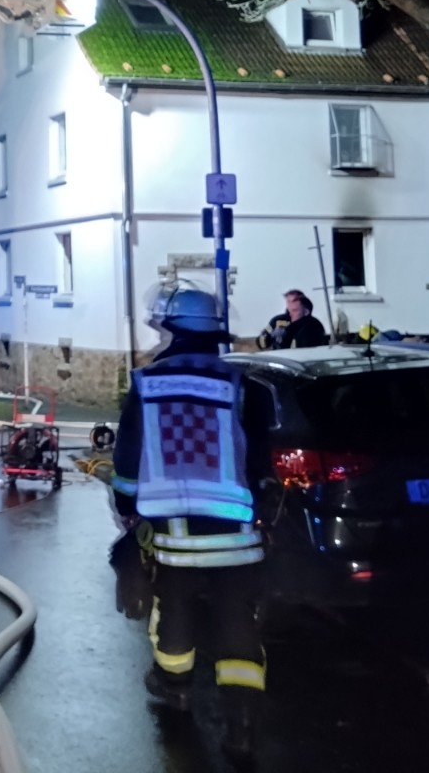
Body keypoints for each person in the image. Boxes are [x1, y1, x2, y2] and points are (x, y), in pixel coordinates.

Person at [113, 287, 268, 762]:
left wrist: (127, 507)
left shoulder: (148, 384)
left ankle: (175, 688)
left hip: (175, 536)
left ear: (170, 330)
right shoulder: (242, 385)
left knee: (174, 612)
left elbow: (128, 459)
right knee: (238, 623)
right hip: (238, 534)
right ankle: (241, 725)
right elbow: (259, 458)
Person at [259, 289, 328, 350]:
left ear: (306, 310)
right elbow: (260, 343)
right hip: (279, 358)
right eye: (288, 301)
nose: (291, 304)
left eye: (295, 300)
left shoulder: (313, 325)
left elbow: (309, 350)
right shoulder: (277, 321)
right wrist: (270, 337)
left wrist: (286, 335)